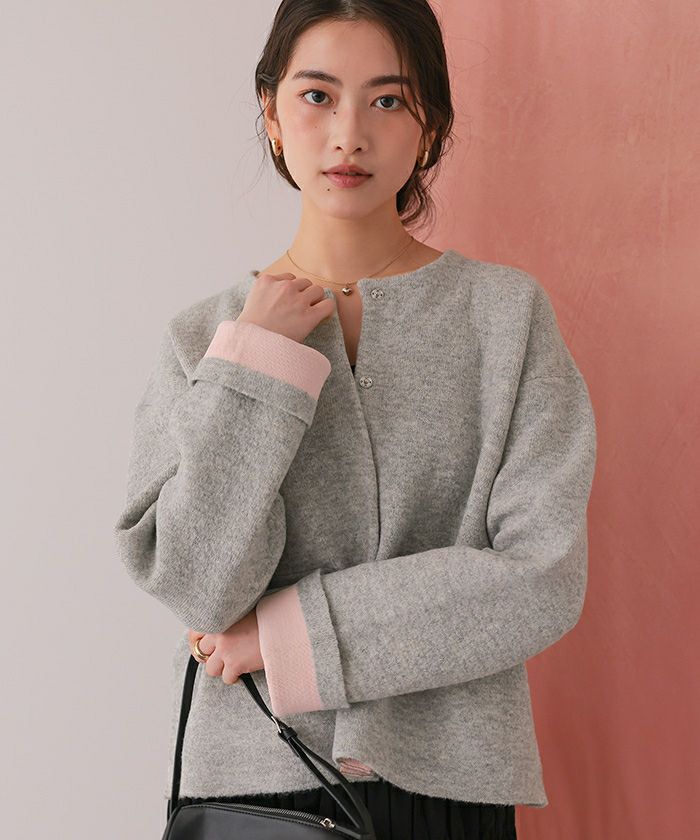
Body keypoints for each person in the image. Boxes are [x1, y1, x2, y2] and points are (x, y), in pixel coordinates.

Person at [114, 2, 597, 838]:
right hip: (257, 792)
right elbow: (197, 586)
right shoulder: (206, 339)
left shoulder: (504, 317)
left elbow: (543, 574)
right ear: (270, 112)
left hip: (452, 793)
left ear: (429, 124)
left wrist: (286, 636)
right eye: (317, 96)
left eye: (387, 100)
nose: (348, 135)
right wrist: (254, 368)